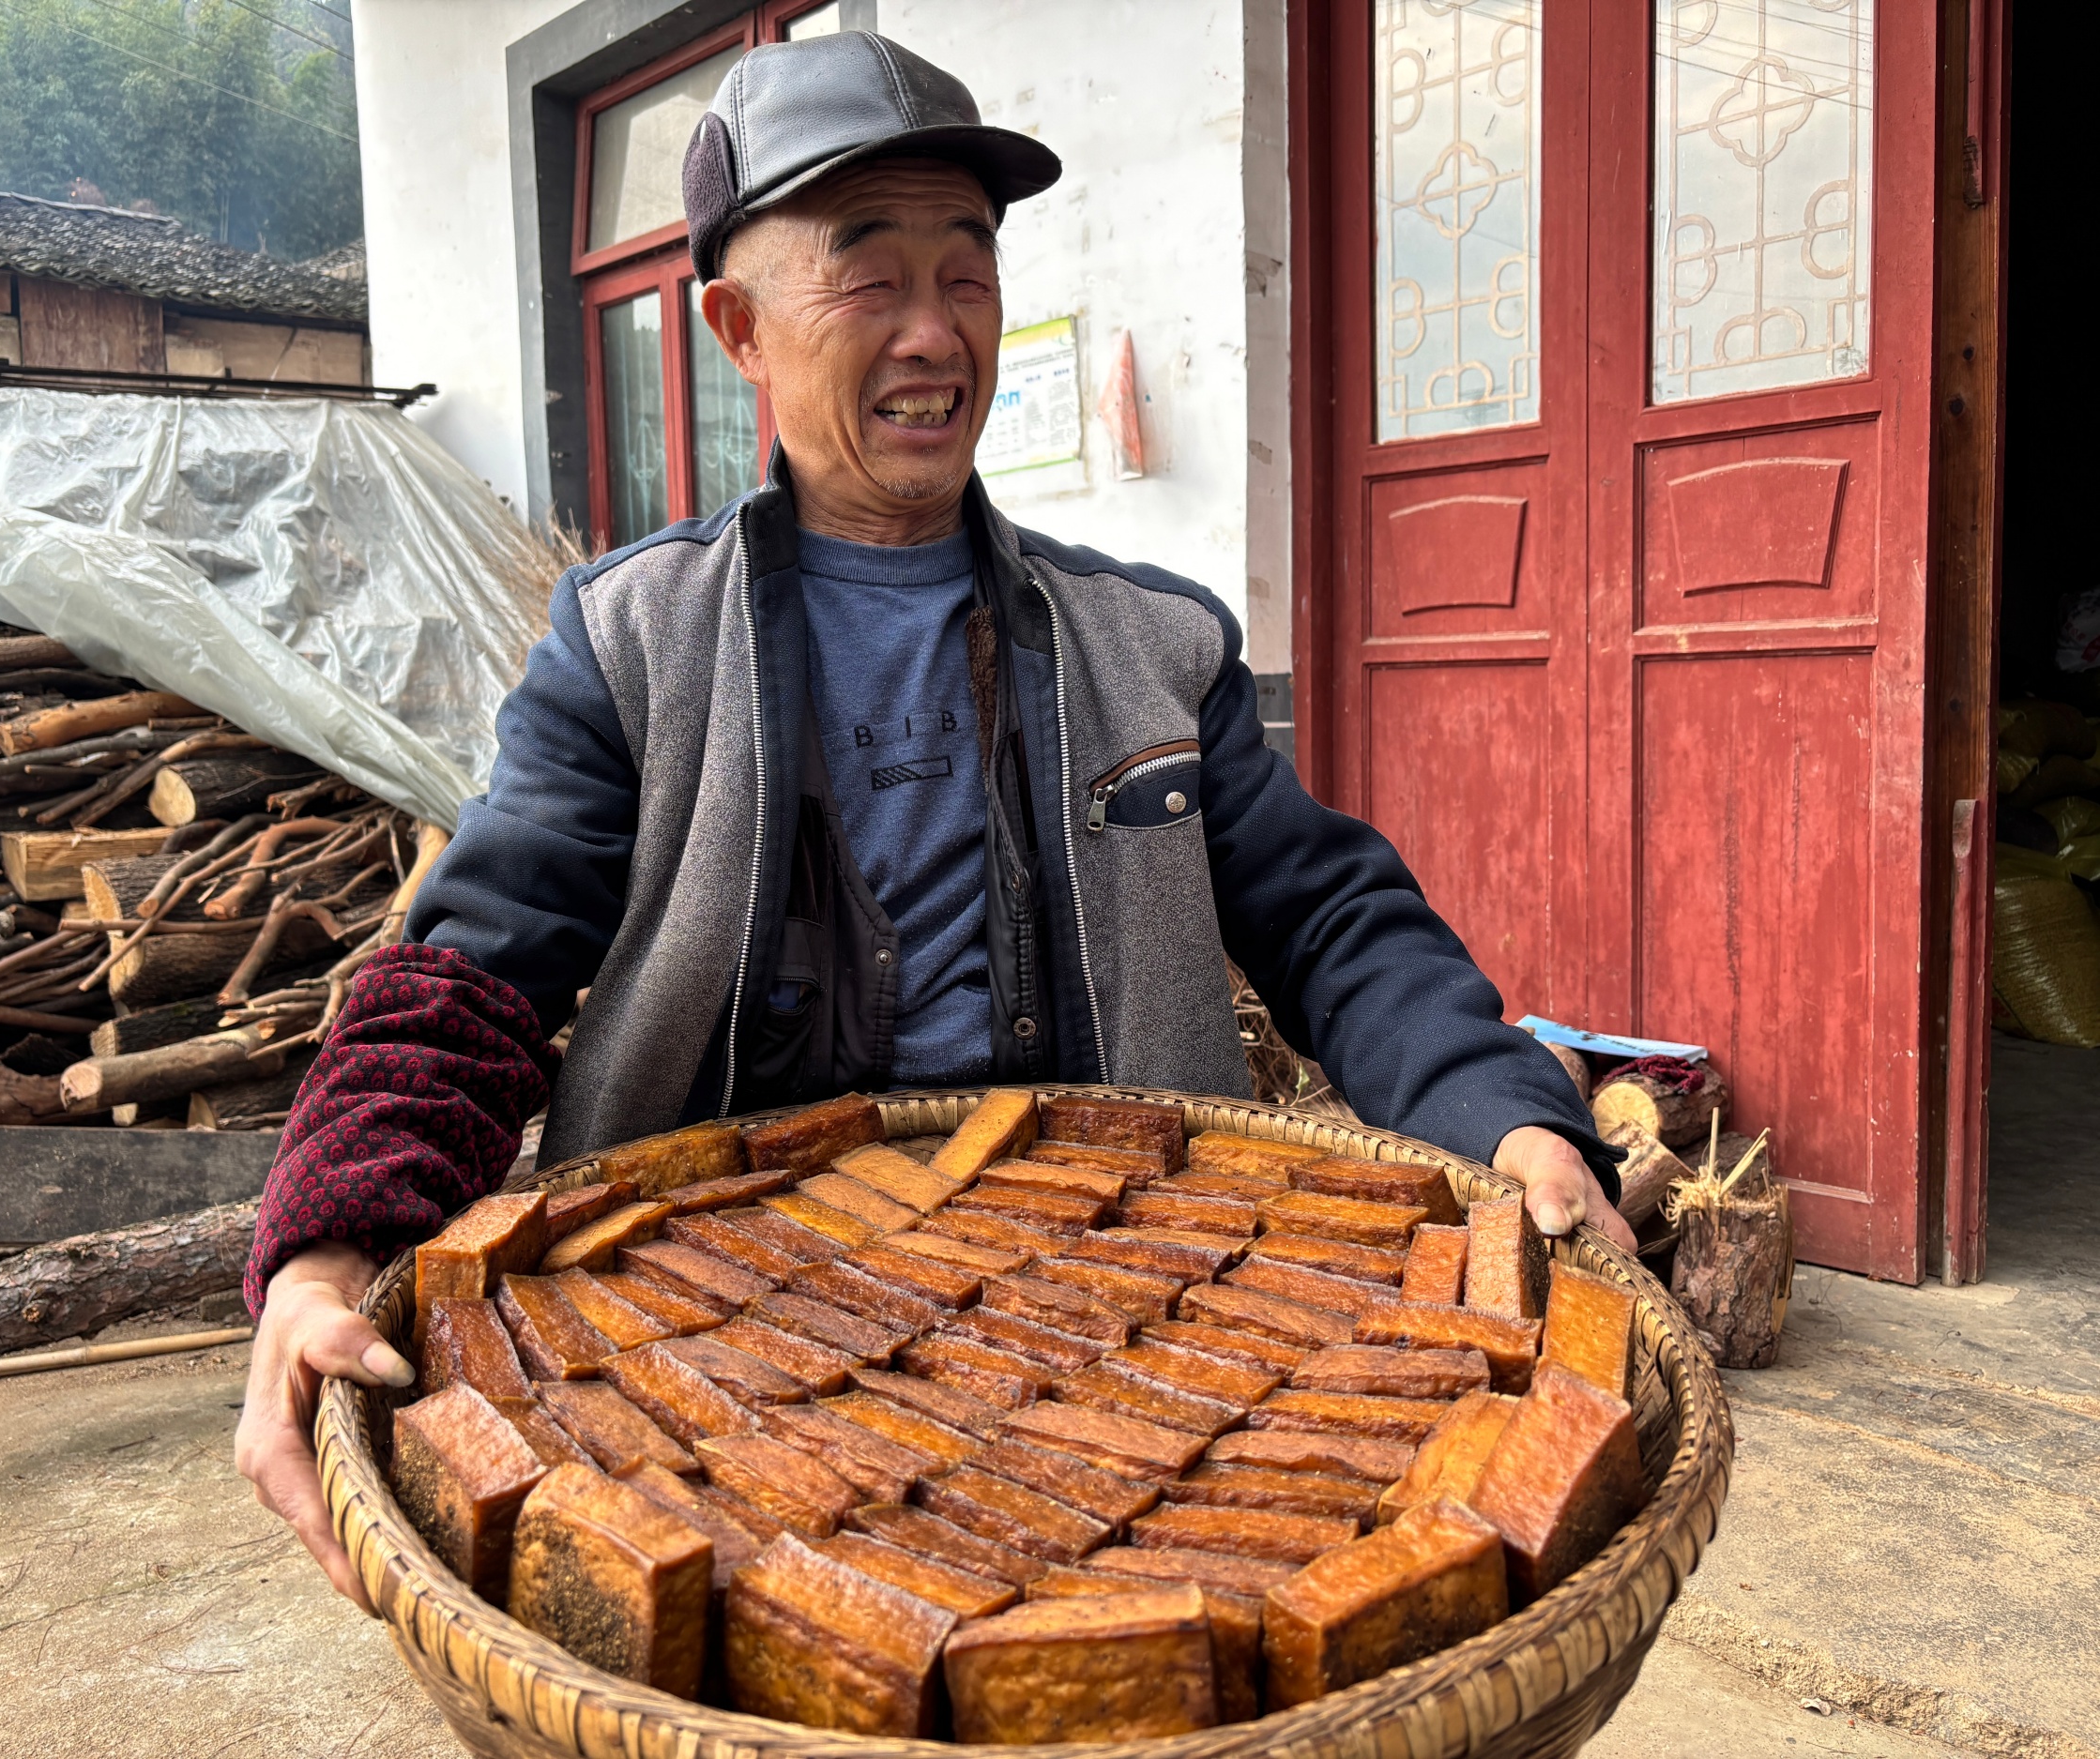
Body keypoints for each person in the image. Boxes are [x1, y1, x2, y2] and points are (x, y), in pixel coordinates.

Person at [234, 31, 1633, 1610]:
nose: (932, 331)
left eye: (967, 275)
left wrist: (1499, 1115)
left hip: (1122, 1328)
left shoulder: (1152, 646)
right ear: (738, 327)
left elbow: (1327, 917)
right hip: (708, 1344)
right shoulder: (628, 646)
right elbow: (474, 971)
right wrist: (328, 1252)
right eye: (869, 276)